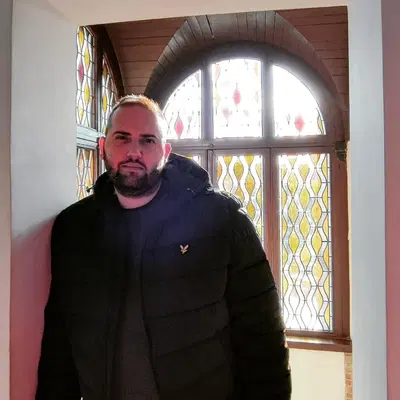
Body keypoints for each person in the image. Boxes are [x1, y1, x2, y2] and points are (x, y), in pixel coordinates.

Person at [36, 94, 291, 400]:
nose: (134, 151)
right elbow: (60, 344)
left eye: (147, 140)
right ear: (103, 146)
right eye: (122, 138)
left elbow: (263, 340)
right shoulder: (74, 229)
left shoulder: (222, 221)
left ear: (166, 151)